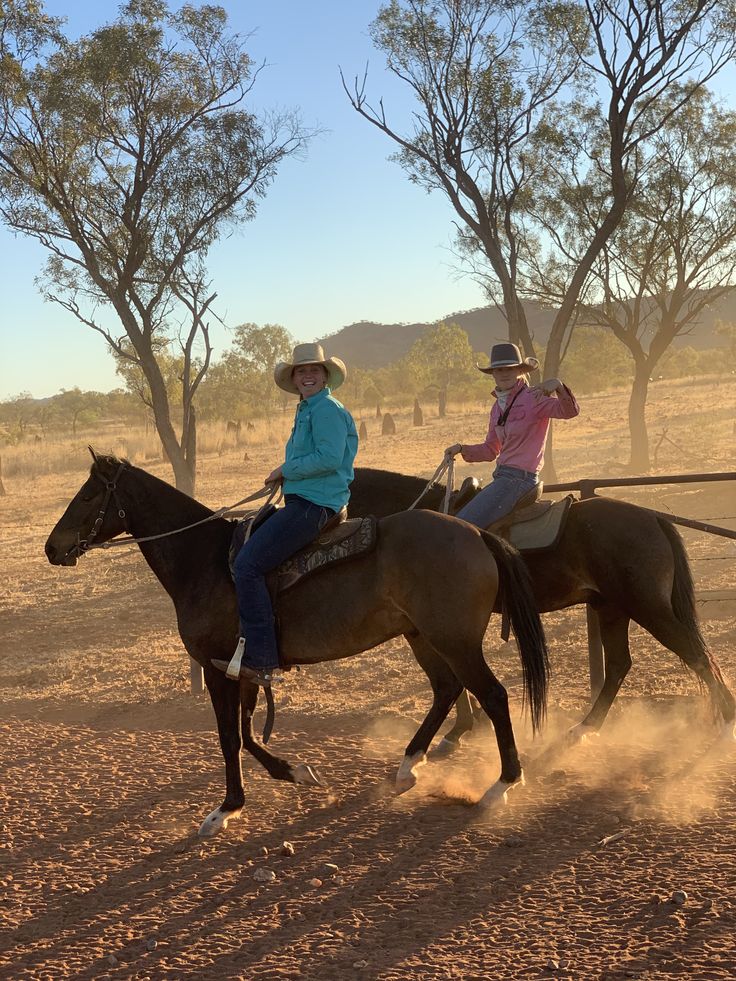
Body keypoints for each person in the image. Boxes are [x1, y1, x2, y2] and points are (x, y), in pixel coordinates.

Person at [226, 343, 358, 686]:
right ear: (295, 378)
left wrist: (287, 468)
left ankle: (263, 660)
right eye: (302, 371)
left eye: (314, 370)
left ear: (325, 375)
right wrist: (289, 473)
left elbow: (330, 457)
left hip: (316, 504)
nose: (308, 375)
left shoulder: (326, 409)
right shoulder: (308, 410)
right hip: (305, 499)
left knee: (248, 565)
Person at [445, 342, 579, 528]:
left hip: (520, 480)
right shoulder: (496, 409)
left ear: (518, 370)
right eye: (499, 370)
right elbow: (491, 450)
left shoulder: (533, 397)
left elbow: (569, 412)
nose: (504, 373)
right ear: (493, 373)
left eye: (509, 368)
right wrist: (461, 449)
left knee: (460, 526)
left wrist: (558, 385)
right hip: (502, 478)